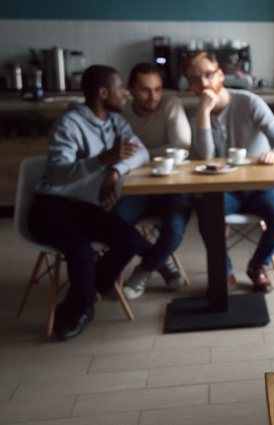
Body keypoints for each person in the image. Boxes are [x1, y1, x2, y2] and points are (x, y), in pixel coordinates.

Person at [27, 65, 150, 341]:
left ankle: (86, 291)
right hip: (50, 205)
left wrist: (116, 170)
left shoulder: (116, 121)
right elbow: (58, 172)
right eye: (120, 89)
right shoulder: (68, 124)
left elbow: (141, 152)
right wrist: (102, 160)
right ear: (103, 93)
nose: (126, 94)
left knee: (129, 239)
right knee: (81, 251)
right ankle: (80, 311)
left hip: (84, 207)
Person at [183, 51, 274, 292]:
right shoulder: (194, 115)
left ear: (220, 74)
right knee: (208, 216)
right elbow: (205, 158)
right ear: (188, 84)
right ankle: (225, 270)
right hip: (223, 189)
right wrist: (203, 112)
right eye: (194, 78)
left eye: (208, 75)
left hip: (259, 186)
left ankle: (258, 265)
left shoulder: (248, 102)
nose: (203, 83)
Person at [116, 62, 192, 299]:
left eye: (158, 89)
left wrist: (138, 154)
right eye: (145, 90)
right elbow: (115, 151)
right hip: (136, 186)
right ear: (130, 89)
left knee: (175, 229)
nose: (153, 96)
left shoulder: (171, 104)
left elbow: (181, 145)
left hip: (172, 185)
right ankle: (164, 265)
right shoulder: (121, 112)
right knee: (116, 224)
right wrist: (157, 153)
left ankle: (144, 269)